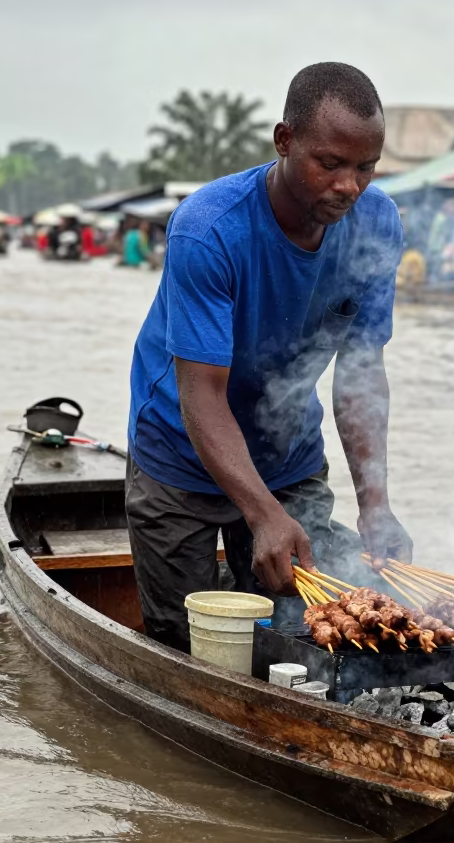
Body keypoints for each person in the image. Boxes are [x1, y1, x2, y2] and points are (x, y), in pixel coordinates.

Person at [126, 62, 411, 652]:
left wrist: (376, 508)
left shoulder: (377, 224)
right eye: (329, 163)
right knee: (191, 644)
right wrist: (260, 515)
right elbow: (201, 393)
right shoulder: (208, 230)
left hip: (287, 455)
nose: (348, 187)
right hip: (180, 455)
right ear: (284, 141)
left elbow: (361, 374)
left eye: (365, 167)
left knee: (321, 629)